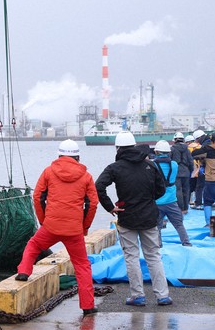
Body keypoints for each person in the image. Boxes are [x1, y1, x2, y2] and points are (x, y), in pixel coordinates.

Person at [16, 139, 99, 317]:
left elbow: (37, 197)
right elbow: (92, 204)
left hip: (51, 226)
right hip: (74, 230)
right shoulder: (86, 176)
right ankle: (88, 306)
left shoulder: (48, 172)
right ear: (78, 156)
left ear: (59, 155)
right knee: (82, 265)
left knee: (33, 245)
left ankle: (23, 271)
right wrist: (84, 227)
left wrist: (44, 220)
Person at [95, 131, 171, 307]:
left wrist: (110, 207)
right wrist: (148, 200)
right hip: (150, 217)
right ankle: (163, 296)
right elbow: (161, 190)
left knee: (131, 257)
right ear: (135, 145)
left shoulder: (115, 167)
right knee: (154, 256)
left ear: (118, 147)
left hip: (127, 216)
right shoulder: (150, 165)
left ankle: (138, 295)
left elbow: (98, 186)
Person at [152, 140, 191, 247]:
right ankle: (186, 243)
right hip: (171, 200)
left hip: (157, 201)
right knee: (179, 224)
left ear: (156, 152)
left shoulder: (152, 165)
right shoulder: (174, 165)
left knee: (157, 226)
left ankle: (158, 245)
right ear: (169, 152)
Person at [191, 131, 215, 227]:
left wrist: (203, 158)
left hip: (211, 179)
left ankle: (209, 223)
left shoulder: (208, 149)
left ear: (212, 140)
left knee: (208, 202)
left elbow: (194, 153)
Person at [169, 132, 194, 215]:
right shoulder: (187, 149)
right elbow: (191, 161)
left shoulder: (172, 149)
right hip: (186, 172)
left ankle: (180, 208)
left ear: (175, 140)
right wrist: (191, 170)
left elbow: (169, 161)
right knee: (186, 190)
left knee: (178, 190)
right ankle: (186, 208)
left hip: (176, 172)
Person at [190, 129, 207, 212]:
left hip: (204, 168)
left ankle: (199, 203)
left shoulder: (205, 145)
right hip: (208, 169)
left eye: (196, 139)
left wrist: (194, 156)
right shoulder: (207, 143)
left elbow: (204, 155)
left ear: (200, 137)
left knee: (199, 187)